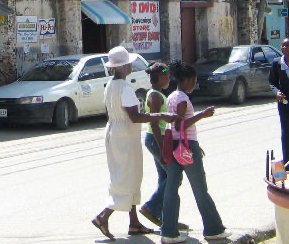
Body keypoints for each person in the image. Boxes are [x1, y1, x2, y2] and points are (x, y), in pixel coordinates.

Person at [92, 46, 175, 240]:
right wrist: (161, 115)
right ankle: (103, 216)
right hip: (125, 136)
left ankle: (134, 223)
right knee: (126, 178)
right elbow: (135, 117)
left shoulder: (111, 85)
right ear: (125, 66)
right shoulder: (125, 89)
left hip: (115, 132)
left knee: (129, 176)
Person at [160, 60, 230, 243]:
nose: (194, 84)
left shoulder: (172, 96)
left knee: (171, 188)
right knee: (200, 189)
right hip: (185, 148)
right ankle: (213, 229)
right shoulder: (183, 98)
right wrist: (202, 114)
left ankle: (168, 232)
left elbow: (175, 127)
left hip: (175, 145)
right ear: (189, 79)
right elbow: (179, 124)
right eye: (194, 80)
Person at [139, 62, 188, 231]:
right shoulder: (155, 96)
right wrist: (161, 149)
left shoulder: (158, 93)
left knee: (165, 179)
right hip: (156, 140)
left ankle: (167, 219)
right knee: (175, 177)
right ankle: (151, 207)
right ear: (158, 78)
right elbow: (153, 123)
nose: (168, 79)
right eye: (165, 76)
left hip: (158, 140)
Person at [269, 38, 289, 167]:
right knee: (286, 131)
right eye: (282, 46)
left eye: (286, 46)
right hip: (284, 103)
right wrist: (276, 92)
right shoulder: (277, 63)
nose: (284, 48)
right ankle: (287, 160)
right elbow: (272, 82)